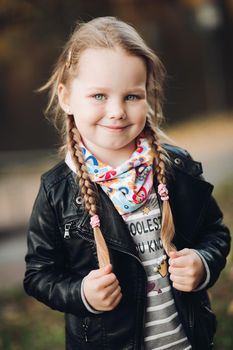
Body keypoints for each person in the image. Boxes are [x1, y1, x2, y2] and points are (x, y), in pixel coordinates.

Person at [23, 16, 231, 350]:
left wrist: (203, 264)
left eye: (132, 96)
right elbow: (39, 274)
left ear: (149, 96)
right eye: (99, 96)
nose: (117, 111)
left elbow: (215, 232)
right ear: (66, 98)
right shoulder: (57, 190)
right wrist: (81, 294)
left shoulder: (176, 167)